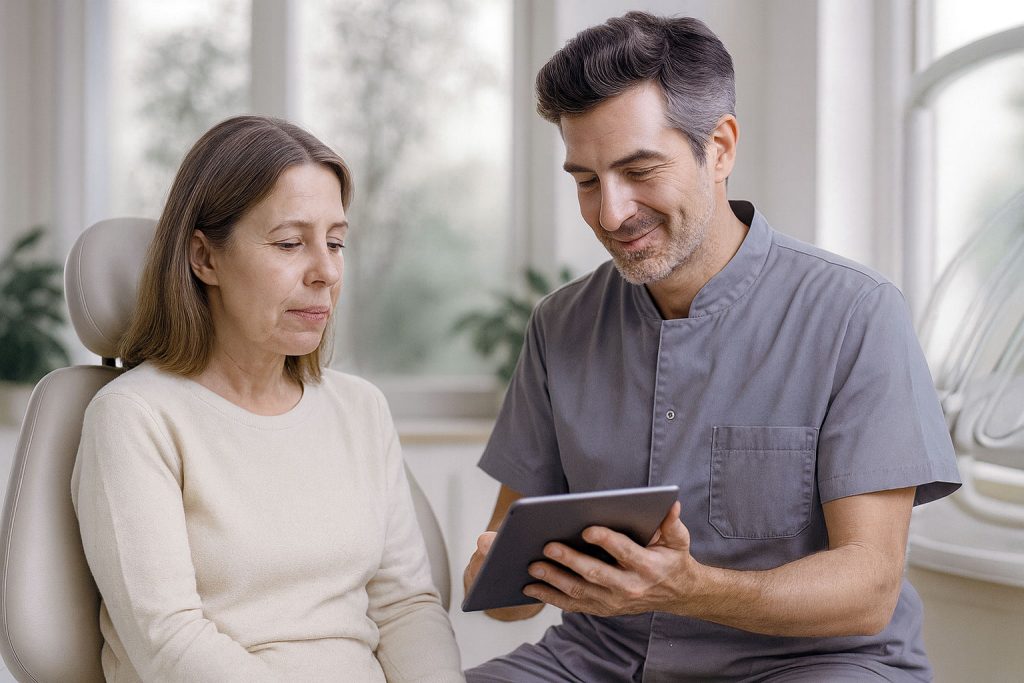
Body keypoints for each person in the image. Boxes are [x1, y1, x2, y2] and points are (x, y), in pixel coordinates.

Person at [463, 12, 960, 682]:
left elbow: (867, 589)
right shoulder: (561, 324)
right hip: (598, 661)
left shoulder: (856, 313)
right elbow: (509, 597)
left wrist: (689, 588)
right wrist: (500, 576)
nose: (611, 213)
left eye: (640, 170)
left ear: (720, 148)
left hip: (813, 664)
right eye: (586, 180)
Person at [71, 115, 464, 682]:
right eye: (289, 244)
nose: (325, 271)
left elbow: (406, 607)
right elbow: (168, 642)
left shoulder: (361, 408)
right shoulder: (135, 417)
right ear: (204, 258)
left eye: (336, 243)